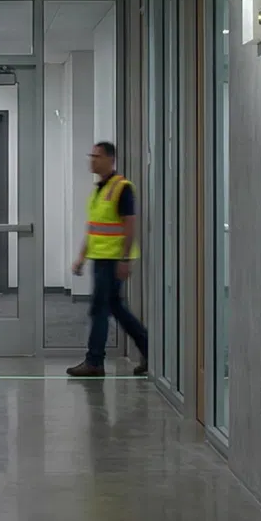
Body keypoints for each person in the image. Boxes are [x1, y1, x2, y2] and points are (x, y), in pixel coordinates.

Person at [66, 141, 151, 379]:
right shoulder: (99, 190)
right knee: (115, 308)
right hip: (100, 258)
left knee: (100, 309)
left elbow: (130, 224)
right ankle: (149, 350)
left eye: (97, 156)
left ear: (111, 160)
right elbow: (93, 228)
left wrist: (124, 259)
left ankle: (94, 361)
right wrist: (81, 257)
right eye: (91, 155)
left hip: (113, 260)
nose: (92, 160)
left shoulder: (122, 188)